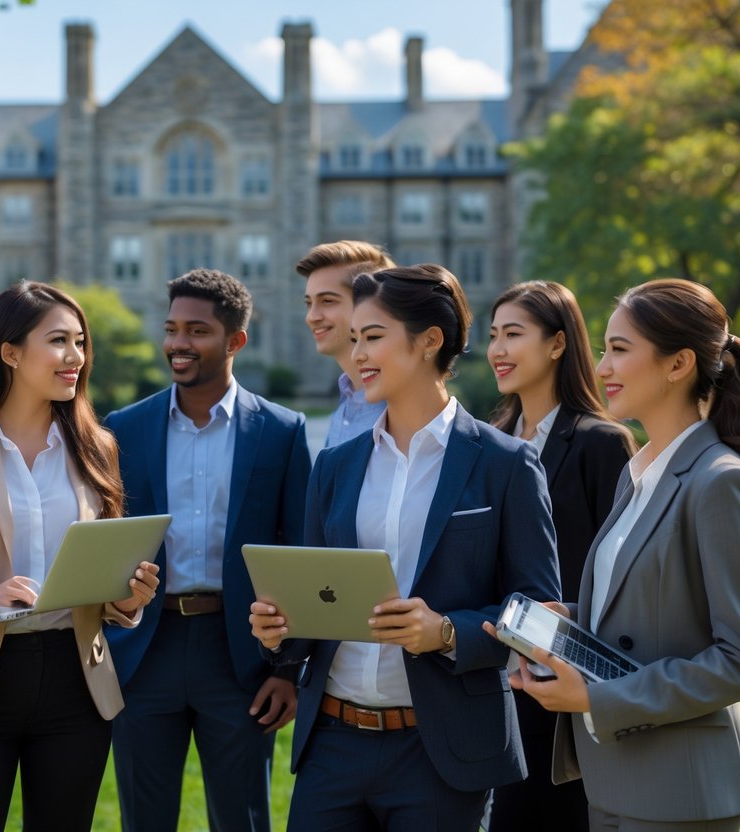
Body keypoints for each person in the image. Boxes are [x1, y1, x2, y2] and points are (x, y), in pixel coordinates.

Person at [250, 264, 561, 830]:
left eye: (372, 337)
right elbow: (318, 598)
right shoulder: (335, 466)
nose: (358, 354)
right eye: (355, 340)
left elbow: (539, 613)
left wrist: (445, 633)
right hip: (332, 747)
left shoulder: (507, 465)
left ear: (428, 342)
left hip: (442, 751)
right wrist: (281, 628)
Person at [502, 279, 740, 831]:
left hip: (681, 791)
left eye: (620, 350)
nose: (601, 366)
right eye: (605, 348)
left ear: (678, 364)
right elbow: (652, 620)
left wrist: (599, 699)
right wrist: (570, 628)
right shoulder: (639, 473)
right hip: (610, 781)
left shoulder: (721, 482)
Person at [0, 281, 160, 832]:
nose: (75, 357)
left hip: (75, 682)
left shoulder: (97, 447)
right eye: (58, 340)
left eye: (80, 342)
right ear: (10, 352)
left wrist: (126, 597)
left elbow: (102, 574)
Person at [104, 269, 311, 831]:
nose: (178, 344)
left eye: (197, 331)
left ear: (235, 341)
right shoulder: (123, 428)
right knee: (143, 820)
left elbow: (297, 549)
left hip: (240, 657)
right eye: (171, 329)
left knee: (242, 820)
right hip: (145, 653)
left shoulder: (282, 430)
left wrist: (287, 668)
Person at [485, 281, 635, 832]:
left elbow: (621, 574)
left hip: (561, 682)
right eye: (493, 335)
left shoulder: (602, 443)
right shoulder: (488, 439)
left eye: (514, 334)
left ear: (556, 344)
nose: (498, 349)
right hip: (486, 679)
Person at [296, 240, 394, 447]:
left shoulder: (398, 412)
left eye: (327, 301)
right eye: (308, 303)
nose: (311, 317)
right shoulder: (344, 407)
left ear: (369, 306)